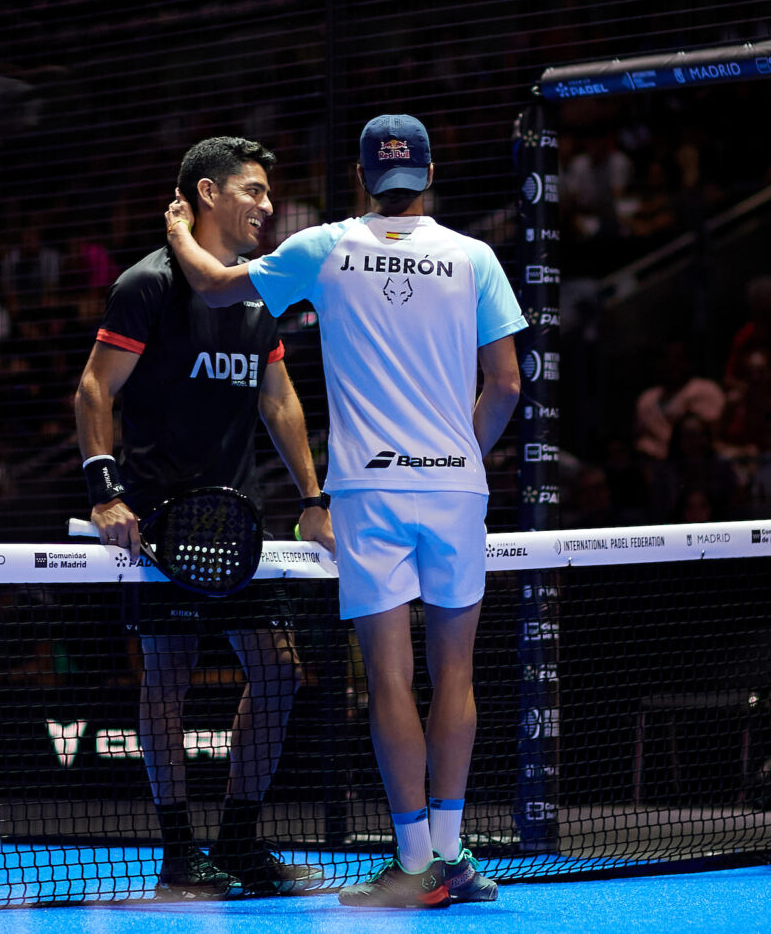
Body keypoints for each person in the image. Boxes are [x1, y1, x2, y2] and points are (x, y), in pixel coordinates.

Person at [160, 114, 525, 907]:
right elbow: (507, 386)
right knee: (455, 672)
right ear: (428, 176)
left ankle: (412, 865)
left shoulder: (325, 247)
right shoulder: (477, 258)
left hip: (370, 492)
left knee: (392, 679)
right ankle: (454, 858)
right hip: (458, 488)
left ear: (362, 178)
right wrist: (458, 452)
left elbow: (212, 286)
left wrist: (182, 231)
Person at [73, 136, 334, 899]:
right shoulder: (147, 286)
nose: (266, 204)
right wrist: (105, 491)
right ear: (208, 194)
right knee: (169, 675)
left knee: (279, 670)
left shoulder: (255, 292)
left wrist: (313, 502)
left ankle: (241, 843)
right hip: (157, 522)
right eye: (251, 190)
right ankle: (179, 853)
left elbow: (278, 399)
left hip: (237, 524)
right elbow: (94, 390)